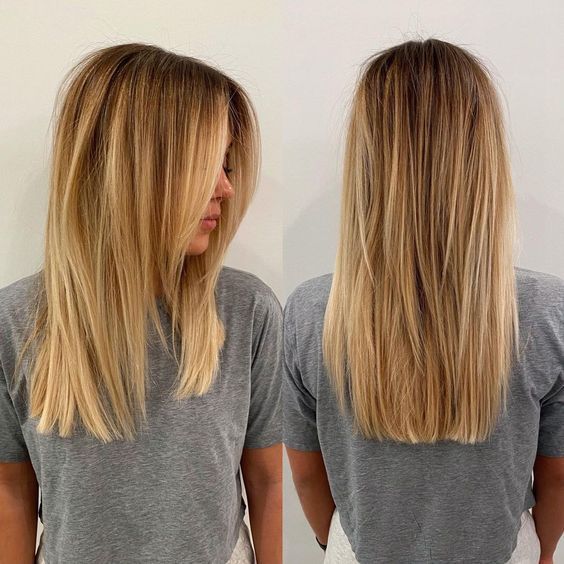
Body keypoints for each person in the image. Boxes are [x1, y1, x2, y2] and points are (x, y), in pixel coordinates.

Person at [283, 38, 564, 564]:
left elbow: (305, 474)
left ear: (367, 158)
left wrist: (335, 542)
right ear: (483, 158)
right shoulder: (548, 312)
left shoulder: (310, 311)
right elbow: (557, 478)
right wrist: (542, 552)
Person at [0, 43, 282, 564]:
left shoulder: (248, 312)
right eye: (206, 164)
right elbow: (12, 492)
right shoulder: (17, 322)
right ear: (132, 170)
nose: (226, 187)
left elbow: (267, 480)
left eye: (226, 163)